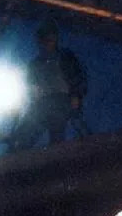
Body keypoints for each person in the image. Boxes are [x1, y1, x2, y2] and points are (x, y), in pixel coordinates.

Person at [9, 19, 89, 151]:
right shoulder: (35, 64)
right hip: (42, 102)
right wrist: (33, 94)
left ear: (55, 38)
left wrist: (76, 96)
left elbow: (77, 77)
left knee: (56, 123)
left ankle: (55, 150)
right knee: (29, 126)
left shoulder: (65, 57)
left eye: (51, 38)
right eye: (44, 39)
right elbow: (30, 86)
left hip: (62, 100)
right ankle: (16, 148)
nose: (48, 43)